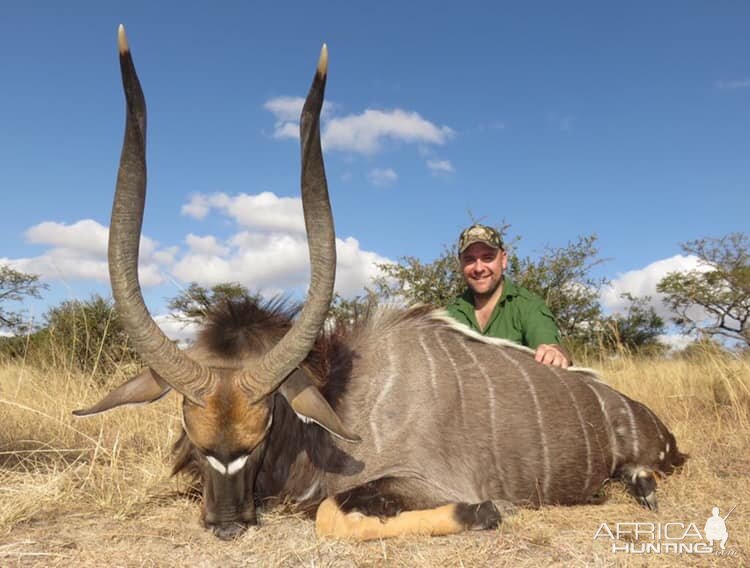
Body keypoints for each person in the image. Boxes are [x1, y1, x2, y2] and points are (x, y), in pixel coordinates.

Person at [446, 223, 572, 368]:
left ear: (503, 260)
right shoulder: (449, 315)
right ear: (461, 264)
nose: (479, 268)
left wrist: (554, 352)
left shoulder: (527, 305)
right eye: (470, 259)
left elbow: (552, 346)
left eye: (487, 258)